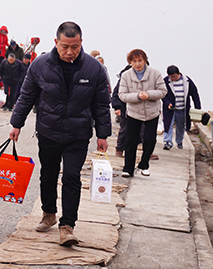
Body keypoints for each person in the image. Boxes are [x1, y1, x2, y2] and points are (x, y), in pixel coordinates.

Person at [9, 22, 110, 247]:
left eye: (74, 47)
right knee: (48, 175)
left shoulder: (94, 69)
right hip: (48, 131)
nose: (70, 51)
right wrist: (16, 123)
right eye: (65, 46)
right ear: (56, 43)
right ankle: (48, 213)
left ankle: (67, 226)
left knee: (72, 178)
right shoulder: (40, 65)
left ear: (81, 43)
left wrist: (103, 133)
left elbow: (102, 104)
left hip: (78, 133)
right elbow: (26, 96)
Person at [118, 49, 167, 178]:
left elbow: (163, 91)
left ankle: (144, 165)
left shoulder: (155, 73)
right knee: (130, 141)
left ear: (145, 60)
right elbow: (122, 95)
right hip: (134, 113)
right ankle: (128, 168)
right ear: (130, 62)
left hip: (152, 112)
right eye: (134, 61)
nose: (137, 64)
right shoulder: (126, 75)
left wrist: (149, 94)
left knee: (150, 139)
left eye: (140, 60)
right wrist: (138, 96)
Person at [162, 65, 201, 150]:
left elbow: (194, 93)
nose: (173, 78)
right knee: (168, 125)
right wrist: (167, 103)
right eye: (171, 77)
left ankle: (179, 142)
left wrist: (198, 108)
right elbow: (162, 94)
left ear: (178, 73)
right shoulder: (165, 81)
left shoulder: (187, 81)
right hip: (170, 109)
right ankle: (167, 142)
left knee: (181, 126)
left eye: (174, 76)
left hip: (182, 109)